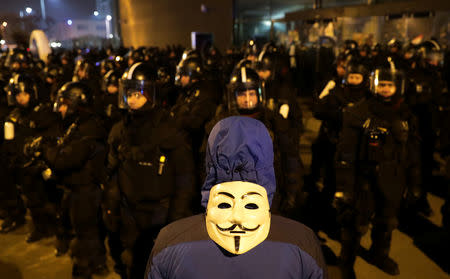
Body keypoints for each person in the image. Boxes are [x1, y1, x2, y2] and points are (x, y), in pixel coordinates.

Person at [145, 116, 327, 279]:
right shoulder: (302, 241)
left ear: (209, 160)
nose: (237, 218)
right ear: (268, 163)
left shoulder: (170, 240)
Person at [104, 62, 196, 278]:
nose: (132, 99)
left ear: (151, 93)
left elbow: (185, 179)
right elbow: (113, 174)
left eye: (138, 93)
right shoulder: (120, 130)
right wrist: (111, 209)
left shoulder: (168, 129)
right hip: (129, 214)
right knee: (131, 266)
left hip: (160, 214)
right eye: (129, 93)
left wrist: (176, 219)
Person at [334, 64, 421, 278]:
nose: (385, 89)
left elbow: (413, 152)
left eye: (389, 85)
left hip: (393, 179)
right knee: (355, 224)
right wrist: (345, 187)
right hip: (364, 179)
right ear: (374, 85)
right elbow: (346, 153)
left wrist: (414, 183)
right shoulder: (360, 112)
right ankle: (346, 263)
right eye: (381, 84)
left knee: (386, 221)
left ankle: (379, 254)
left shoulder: (405, 114)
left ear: (398, 87)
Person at [42, 81, 108, 279]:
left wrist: (46, 150)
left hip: (85, 191)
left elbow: (65, 160)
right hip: (79, 189)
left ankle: (85, 267)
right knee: (89, 231)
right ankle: (97, 263)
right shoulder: (79, 124)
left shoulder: (88, 129)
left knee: (85, 233)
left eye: (65, 104)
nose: (61, 108)